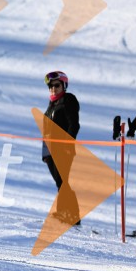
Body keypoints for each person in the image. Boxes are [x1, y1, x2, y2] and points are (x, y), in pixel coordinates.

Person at [42, 70, 81, 226]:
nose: (53, 89)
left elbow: (74, 124)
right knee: (60, 182)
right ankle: (64, 212)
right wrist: (45, 153)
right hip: (50, 150)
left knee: (63, 181)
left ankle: (72, 216)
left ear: (64, 85)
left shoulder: (68, 100)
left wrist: (67, 144)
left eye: (57, 85)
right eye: (50, 86)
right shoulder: (52, 105)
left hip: (63, 149)